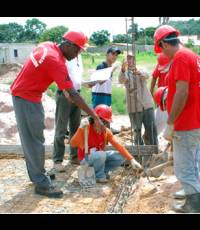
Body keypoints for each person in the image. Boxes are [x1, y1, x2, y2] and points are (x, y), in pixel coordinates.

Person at [10, 31, 105, 198]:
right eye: (77, 51)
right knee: (34, 140)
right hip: (26, 97)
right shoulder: (55, 61)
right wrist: (95, 116)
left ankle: (38, 173)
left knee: (34, 138)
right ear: (68, 45)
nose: (77, 56)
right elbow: (72, 94)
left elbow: (66, 90)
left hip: (28, 95)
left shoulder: (47, 46)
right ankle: (41, 182)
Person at [154, 25, 200, 213]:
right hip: (196, 121)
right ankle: (194, 204)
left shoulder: (181, 58)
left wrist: (170, 123)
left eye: (161, 48)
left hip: (187, 124)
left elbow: (182, 92)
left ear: (163, 44)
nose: (163, 54)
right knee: (190, 167)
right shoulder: (196, 58)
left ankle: (198, 209)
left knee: (184, 171)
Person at [70, 105, 143, 183]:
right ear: (96, 119)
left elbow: (119, 146)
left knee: (120, 156)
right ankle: (99, 176)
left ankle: (99, 172)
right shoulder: (86, 128)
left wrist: (132, 160)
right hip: (86, 159)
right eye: (103, 121)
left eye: (106, 122)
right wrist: (80, 128)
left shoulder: (106, 132)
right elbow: (73, 144)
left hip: (99, 157)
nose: (104, 124)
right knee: (101, 154)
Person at [52, 55, 84, 172]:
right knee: (61, 128)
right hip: (65, 93)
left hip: (76, 93)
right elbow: (58, 74)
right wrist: (65, 90)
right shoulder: (65, 56)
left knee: (75, 128)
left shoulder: (79, 58)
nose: (82, 49)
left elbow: (76, 78)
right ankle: (57, 160)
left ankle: (74, 156)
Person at [119, 53, 158, 145]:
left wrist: (139, 73)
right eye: (127, 58)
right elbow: (121, 80)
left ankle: (153, 149)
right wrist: (123, 69)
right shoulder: (124, 72)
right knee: (136, 131)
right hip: (134, 106)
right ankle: (139, 151)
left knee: (151, 129)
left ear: (134, 59)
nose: (129, 60)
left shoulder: (141, 69)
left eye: (131, 58)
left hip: (146, 104)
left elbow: (147, 75)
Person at [150, 53, 171, 135]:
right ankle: (154, 137)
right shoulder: (161, 63)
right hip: (161, 96)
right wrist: (151, 91)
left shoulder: (177, 66)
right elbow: (154, 76)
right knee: (160, 118)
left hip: (171, 96)